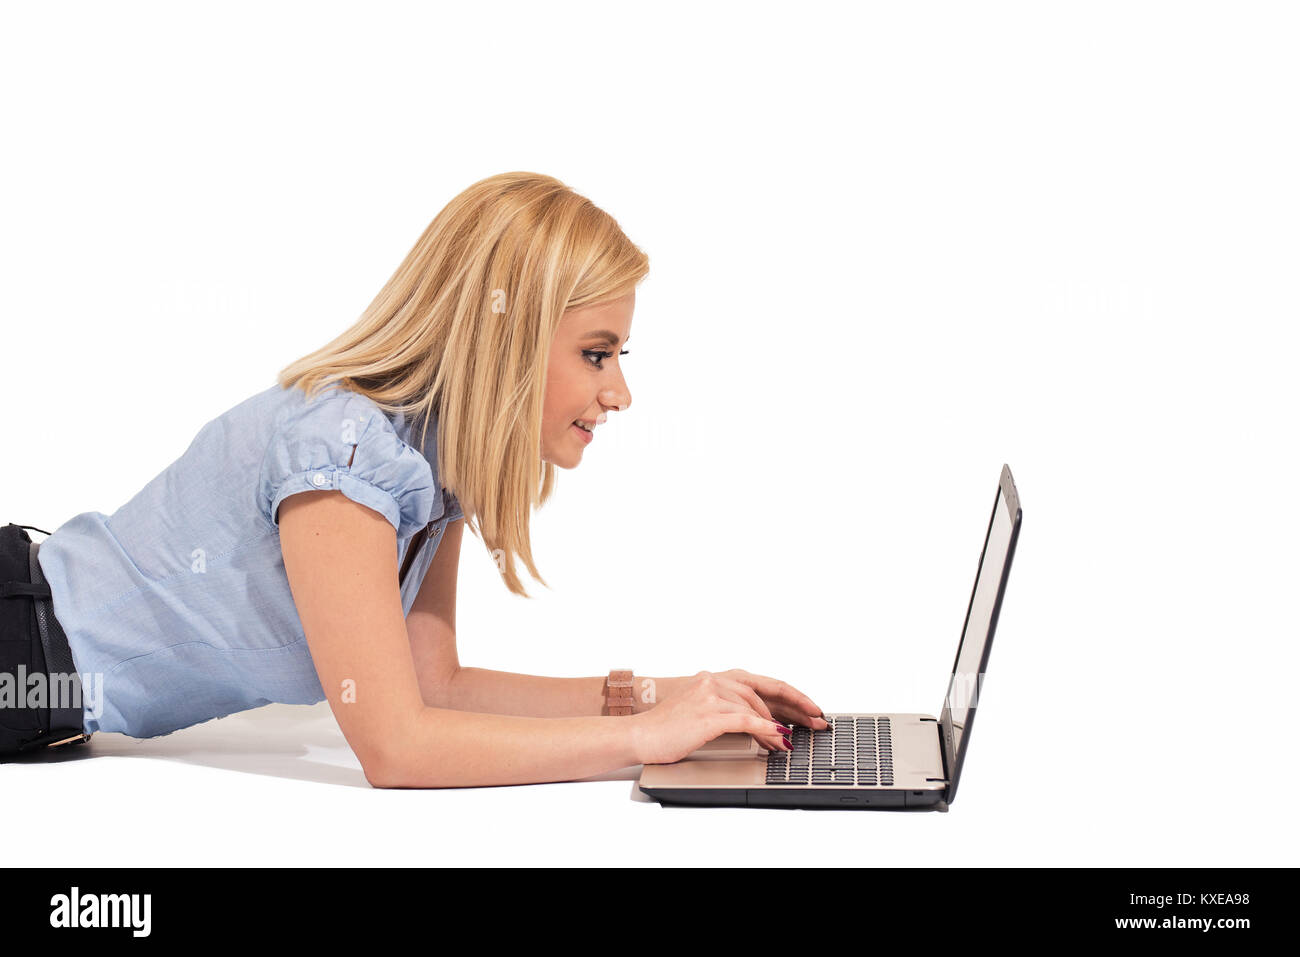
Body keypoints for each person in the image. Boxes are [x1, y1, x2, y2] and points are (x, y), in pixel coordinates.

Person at [1, 171, 829, 785]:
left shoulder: (430, 467)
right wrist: (643, 742)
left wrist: (670, 695)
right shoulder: (345, 454)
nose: (618, 391)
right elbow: (396, 746)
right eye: (594, 352)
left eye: (619, 354)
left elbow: (435, 685)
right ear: (504, 338)